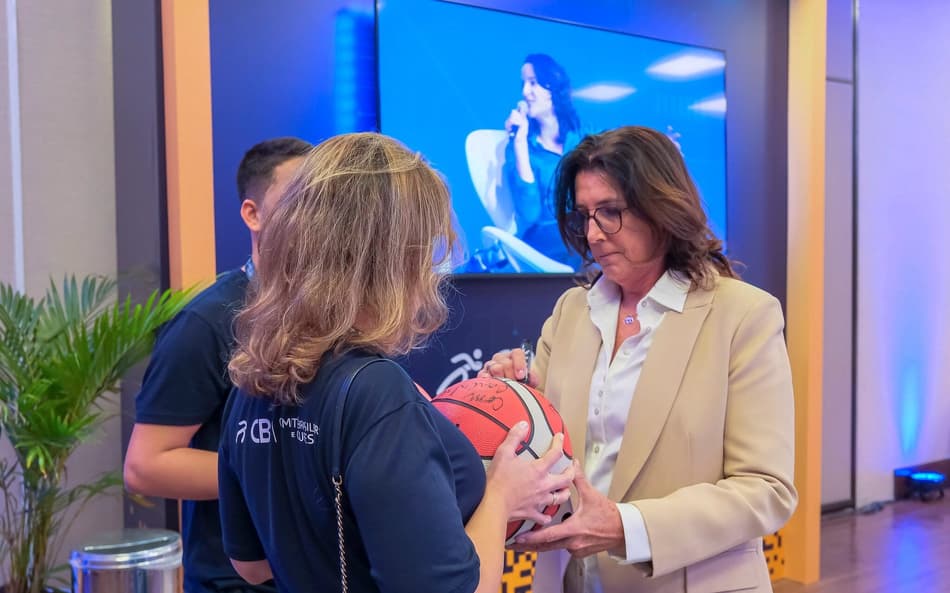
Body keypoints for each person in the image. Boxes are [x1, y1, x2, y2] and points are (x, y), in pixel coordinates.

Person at [217, 132, 574, 593]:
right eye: (425, 249)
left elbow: (251, 563)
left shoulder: (254, 379)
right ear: (392, 259)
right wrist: (504, 495)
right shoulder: (377, 391)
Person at [479, 126, 797, 593]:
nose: (593, 233)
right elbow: (543, 446)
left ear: (663, 209)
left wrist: (626, 527)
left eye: (610, 213)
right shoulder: (572, 311)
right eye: (584, 215)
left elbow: (766, 490)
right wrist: (509, 394)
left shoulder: (744, 316)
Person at [124, 137, 312, 593]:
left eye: (322, 200)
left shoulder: (331, 315)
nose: (314, 216)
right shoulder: (206, 323)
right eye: (298, 199)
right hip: (235, 582)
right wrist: (277, 475)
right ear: (253, 214)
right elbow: (145, 466)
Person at [503, 53, 583, 266]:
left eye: (533, 83)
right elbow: (529, 216)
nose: (525, 92)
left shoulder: (582, 139)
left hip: (586, 238)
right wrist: (519, 142)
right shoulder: (520, 148)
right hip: (548, 246)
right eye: (524, 84)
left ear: (553, 87)